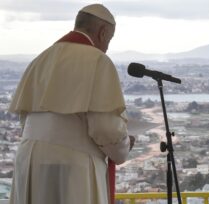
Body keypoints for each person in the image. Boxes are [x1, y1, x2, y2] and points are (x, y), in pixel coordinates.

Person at [9, 4, 135, 204]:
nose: (107, 46)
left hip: (29, 160)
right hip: (72, 164)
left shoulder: (40, 59)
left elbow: (26, 118)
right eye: (109, 40)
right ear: (103, 33)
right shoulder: (98, 60)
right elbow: (105, 128)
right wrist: (124, 146)